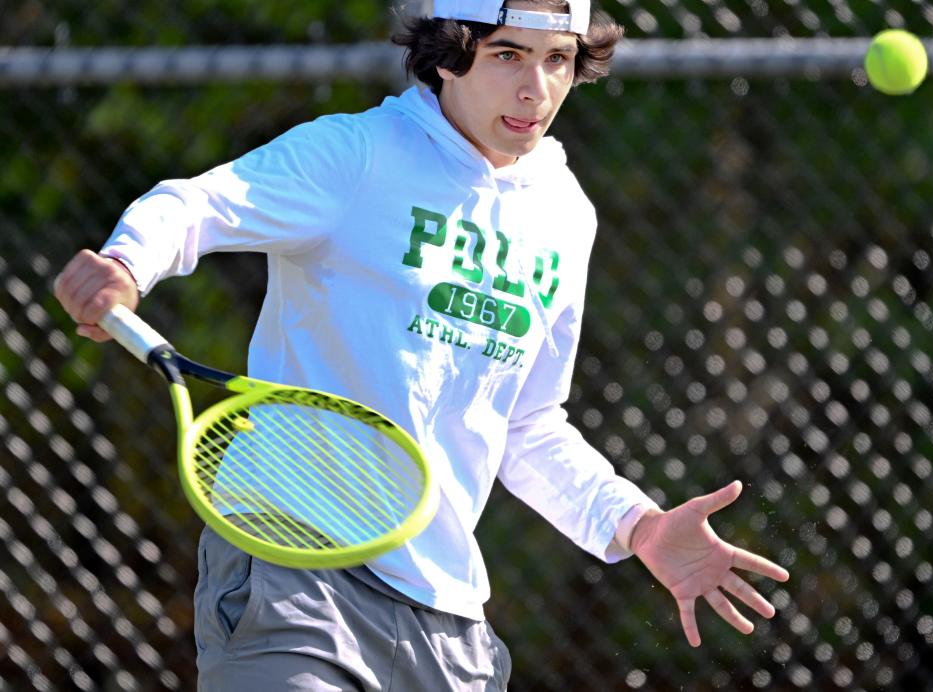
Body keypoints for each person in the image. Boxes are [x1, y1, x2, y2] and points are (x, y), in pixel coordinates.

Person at [54, 1, 790, 690]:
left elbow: (527, 426)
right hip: (294, 567)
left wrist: (639, 525)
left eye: (558, 59)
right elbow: (201, 204)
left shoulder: (564, 215)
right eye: (507, 54)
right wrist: (127, 263)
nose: (535, 88)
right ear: (447, 55)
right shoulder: (357, 154)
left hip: (446, 618)